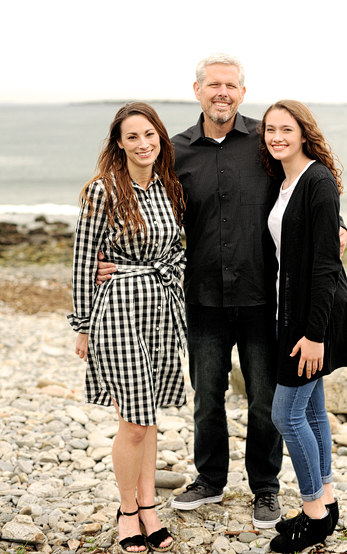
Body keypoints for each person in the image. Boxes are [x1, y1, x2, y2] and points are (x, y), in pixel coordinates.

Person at [96, 54, 347, 529]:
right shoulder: (175, 151)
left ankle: (266, 489)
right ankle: (209, 478)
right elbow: (146, 207)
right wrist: (115, 261)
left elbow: (306, 195)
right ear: (197, 90)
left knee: (262, 398)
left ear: (242, 92)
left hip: (263, 297)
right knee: (207, 395)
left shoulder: (265, 142)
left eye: (230, 85)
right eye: (213, 85)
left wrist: (340, 227)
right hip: (202, 297)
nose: (222, 93)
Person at [69, 102, 184, 553]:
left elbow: (177, 251)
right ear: (118, 143)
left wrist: (159, 272)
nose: (143, 144)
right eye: (132, 137)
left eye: (149, 135)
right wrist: (83, 326)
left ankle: (150, 504)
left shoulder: (166, 188)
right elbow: (82, 261)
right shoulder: (102, 191)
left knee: (149, 416)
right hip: (117, 311)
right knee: (134, 421)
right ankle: (127, 511)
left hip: (160, 310)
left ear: (160, 138)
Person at [255, 100, 347, 553]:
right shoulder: (284, 180)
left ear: (303, 133)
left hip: (311, 317)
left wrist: (314, 334)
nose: (277, 137)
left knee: (285, 414)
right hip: (289, 310)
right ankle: (328, 502)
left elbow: (323, 264)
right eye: (270, 130)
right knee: (313, 410)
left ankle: (314, 514)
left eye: (286, 129)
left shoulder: (316, 180)